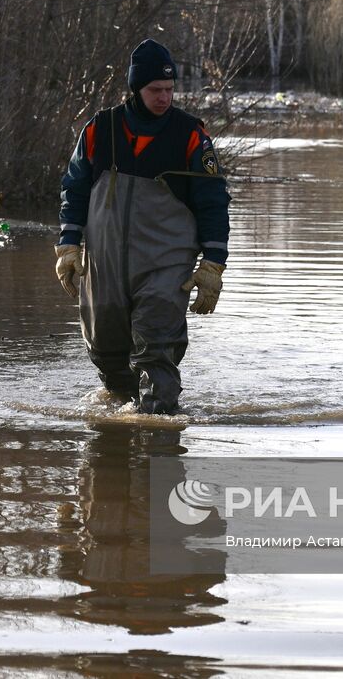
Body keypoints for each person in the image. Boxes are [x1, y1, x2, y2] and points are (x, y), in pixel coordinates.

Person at [55, 39, 230, 415]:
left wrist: (213, 264)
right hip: (105, 263)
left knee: (156, 351)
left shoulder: (191, 137)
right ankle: (119, 439)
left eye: (169, 89)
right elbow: (74, 187)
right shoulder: (98, 130)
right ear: (136, 88)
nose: (164, 97)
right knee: (106, 351)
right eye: (155, 89)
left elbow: (213, 201)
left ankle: (160, 440)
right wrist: (68, 246)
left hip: (165, 265)